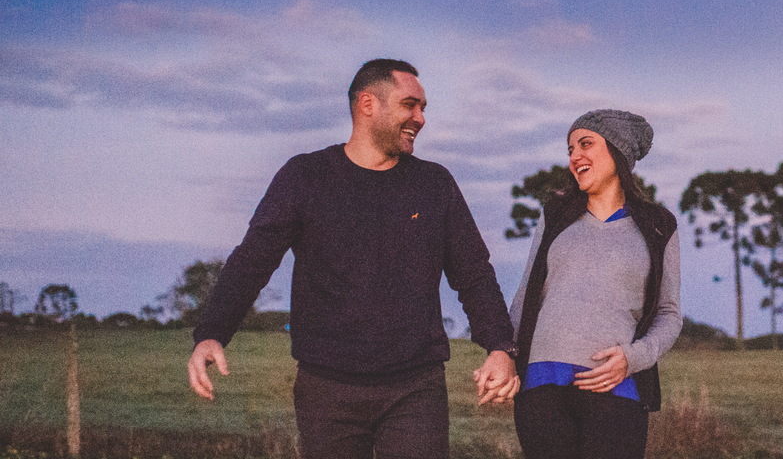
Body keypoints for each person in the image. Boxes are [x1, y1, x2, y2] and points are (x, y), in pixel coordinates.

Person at [187, 59, 519, 459]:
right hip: (327, 389)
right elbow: (252, 260)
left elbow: (474, 273)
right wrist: (211, 332)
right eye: (410, 105)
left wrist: (500, 346)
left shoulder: (434, 184)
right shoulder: (306, 176)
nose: (420, 118)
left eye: (424, 108)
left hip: (415, 386)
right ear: (367, 104)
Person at [510, 109, 682, 459]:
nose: (575, 157)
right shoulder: (555, 214)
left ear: (617, 152)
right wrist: (504, 356)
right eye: (570, 149)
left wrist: (634, 358)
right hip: (542, 385)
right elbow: (527, 295)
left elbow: (669, 313)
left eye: (585, 144)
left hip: (617, 387)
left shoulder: (659, 225)